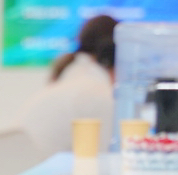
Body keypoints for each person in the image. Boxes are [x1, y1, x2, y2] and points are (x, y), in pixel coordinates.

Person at [12, 15, 117, 161]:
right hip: (38, 172)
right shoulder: (97, 92)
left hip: (17, 169)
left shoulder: (73, 81)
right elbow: (107, 160)